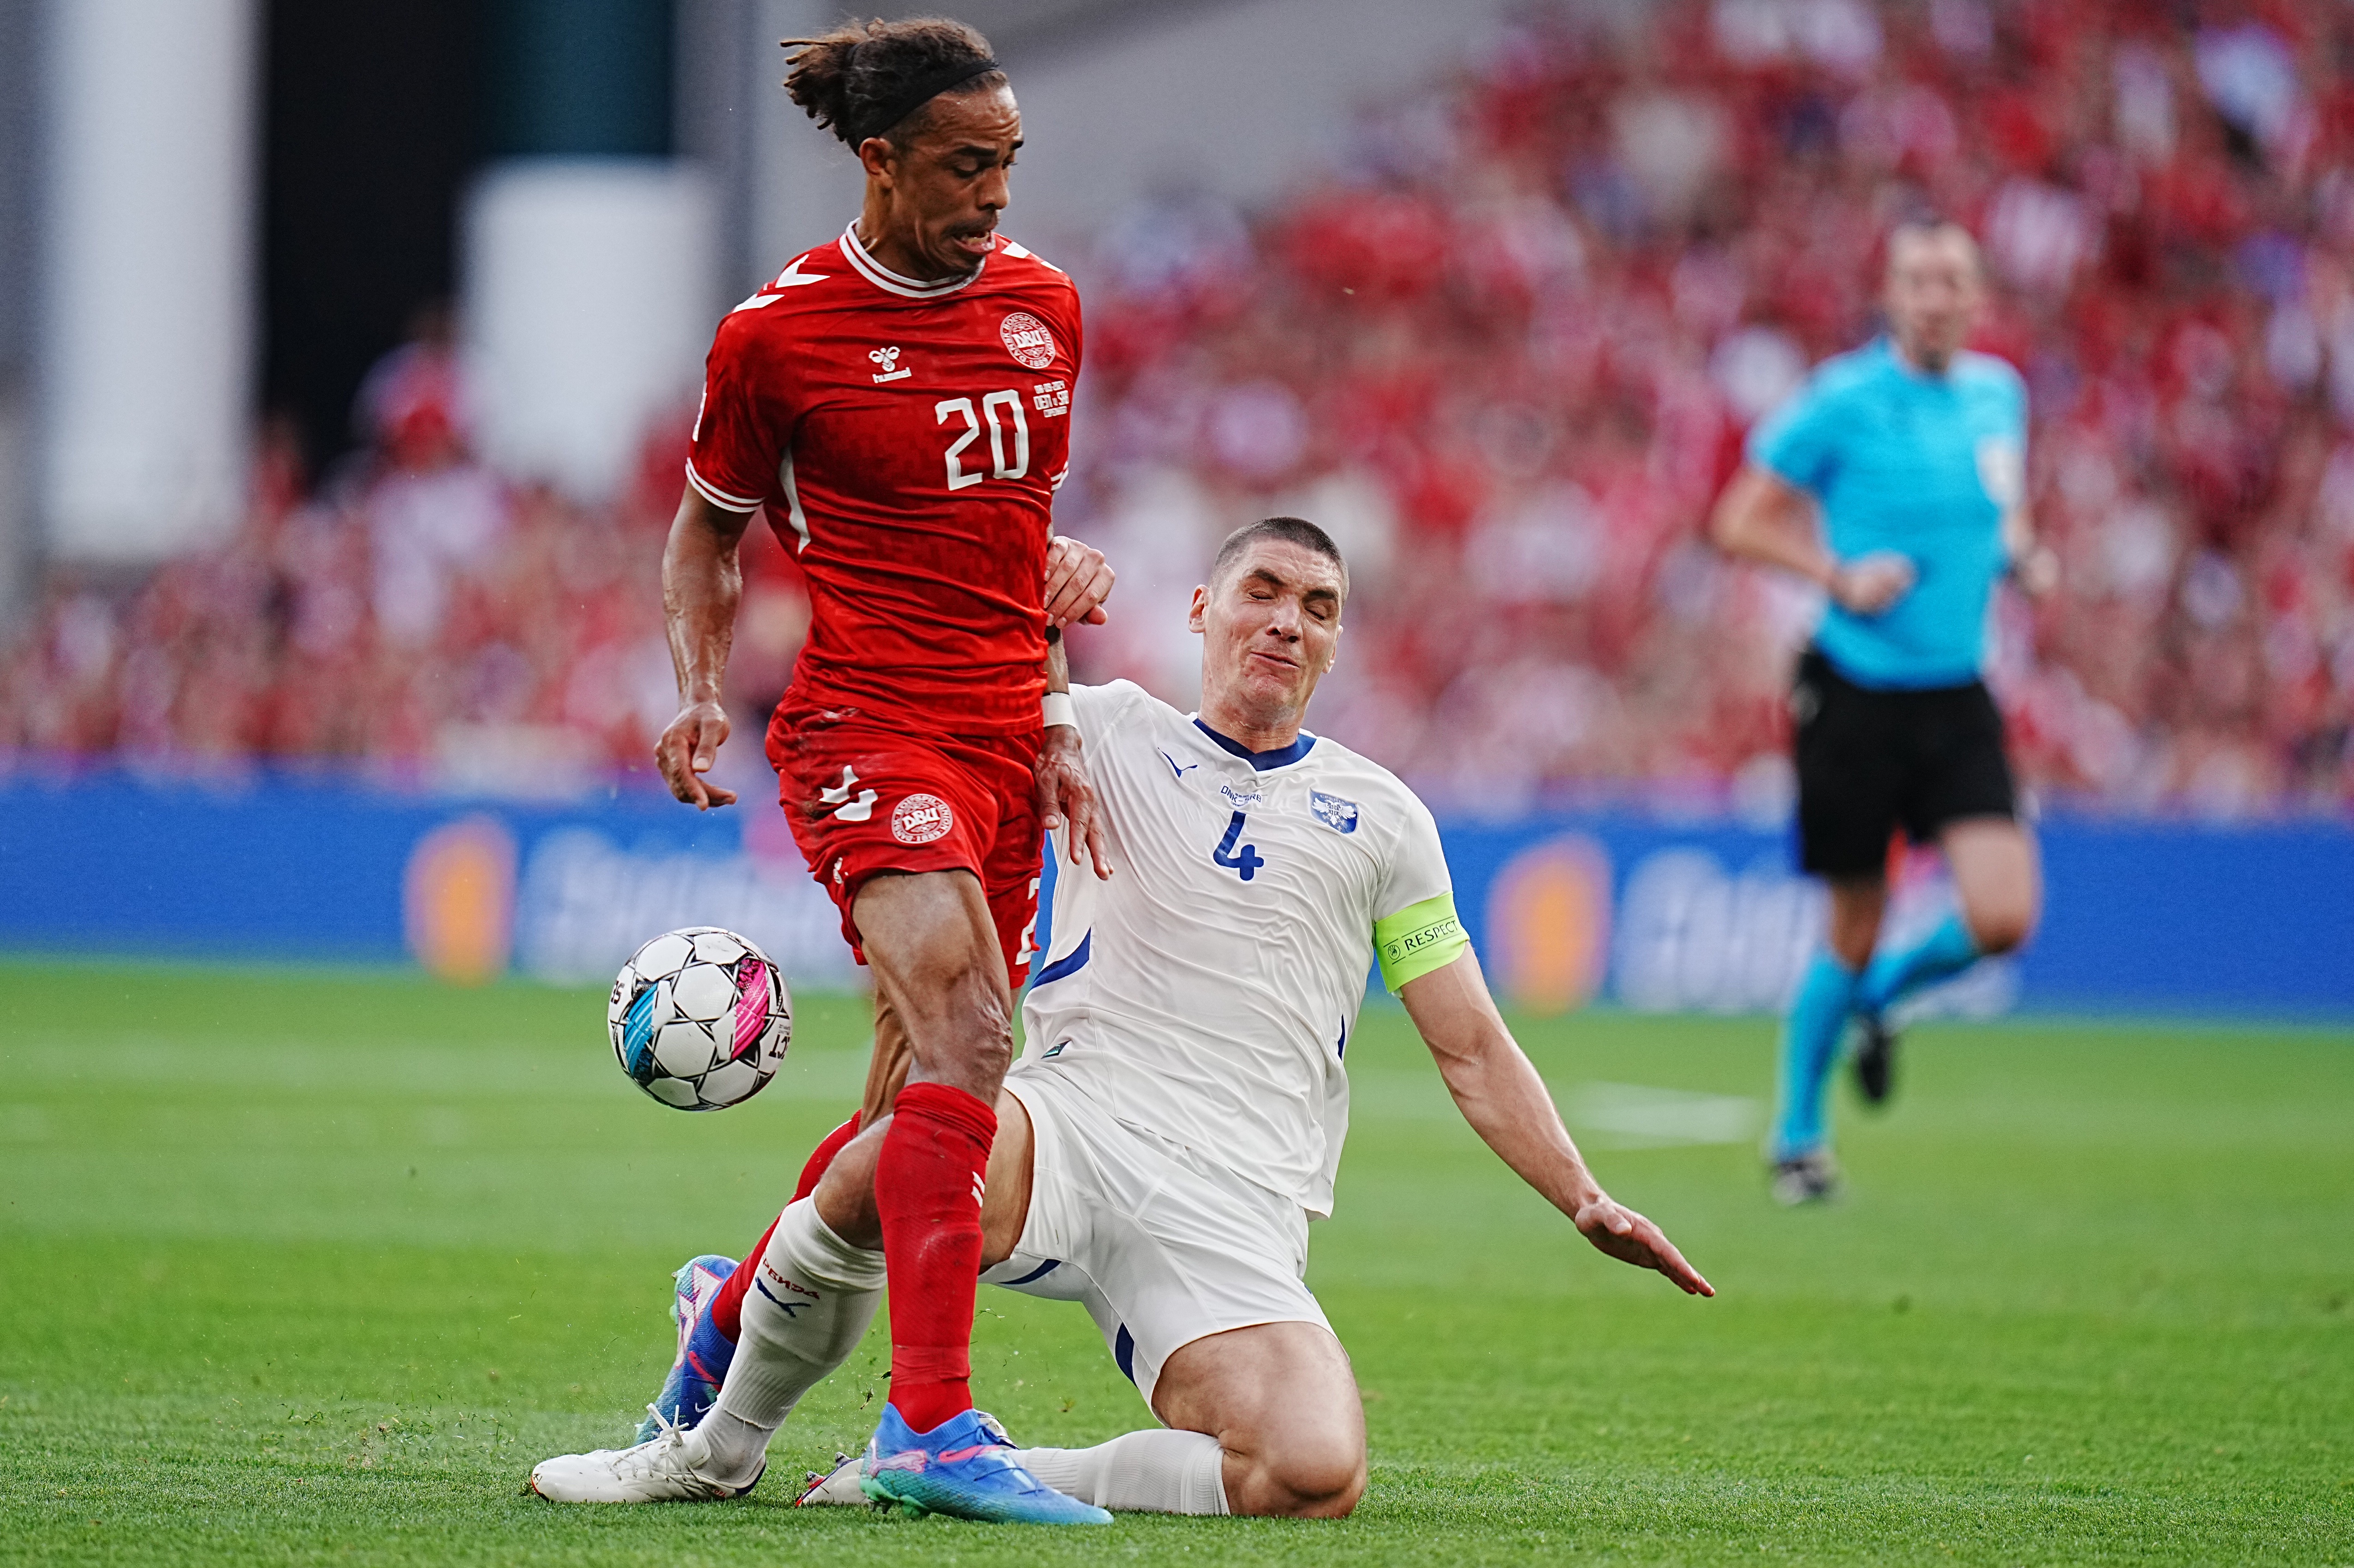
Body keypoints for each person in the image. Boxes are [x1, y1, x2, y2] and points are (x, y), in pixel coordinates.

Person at [530, 517, 1712, 1518]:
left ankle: (953, 1463)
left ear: (1336, 638)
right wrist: (1035, 578)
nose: (1285, 622)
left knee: (1311, 1470)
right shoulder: (1092, 727)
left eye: (1317, 605)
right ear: (1202, 609)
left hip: (1238, 1204)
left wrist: (1582, 1194)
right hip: (1075, 1124)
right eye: (1259, 592)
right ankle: (714, 1441)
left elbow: (1467, 1043)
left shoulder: (1385, 818)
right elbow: (953, 659)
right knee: (893, 1154)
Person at [648, 16, 1118, 1522]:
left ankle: (722, 1322)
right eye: (967, 168)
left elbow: (1003, 549)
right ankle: (930, 1428)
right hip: (866, 733)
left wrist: (1052, 717)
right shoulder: (776, 337)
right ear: (880, 161)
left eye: (1009, 167)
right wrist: (703, 693)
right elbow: (704, 534)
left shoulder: (1046, 311)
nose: (994, 196)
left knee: (904, 1117)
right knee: (976, 1040)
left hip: (995, 754)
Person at [1708, 220, 2055, 1204]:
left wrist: (2023, 554)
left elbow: (2006, 506)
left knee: (2002, 914)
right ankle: (1797, 1136)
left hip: (1955, 688)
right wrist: (1834, 574)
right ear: (1892, 296)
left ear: (1975, 295)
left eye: (1952, 279)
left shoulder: (1998, 393)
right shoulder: (1840, 400)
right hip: (1854, 689)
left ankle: (1878, 1003)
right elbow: (1736, 518)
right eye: (1918, 280)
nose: (1936, 296)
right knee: (1850, 921)